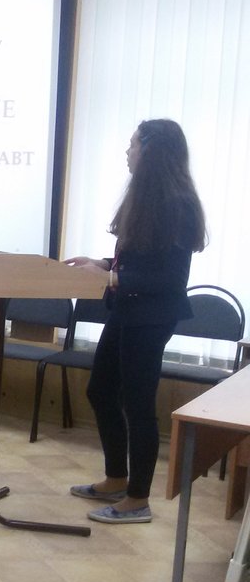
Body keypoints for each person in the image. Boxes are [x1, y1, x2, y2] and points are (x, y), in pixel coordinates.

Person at [66, 119, 207, 524]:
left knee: (138, 404)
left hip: (152, 317)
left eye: (132, 145)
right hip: (128, 310)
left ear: (151, 150)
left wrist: (113, 279)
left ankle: (138, 500)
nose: (127, 152)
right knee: (100, 390)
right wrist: (103, 264)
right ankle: (116, 478)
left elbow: (170, 279)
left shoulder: (178, 203)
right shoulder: (147, 196)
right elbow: (141, 258)